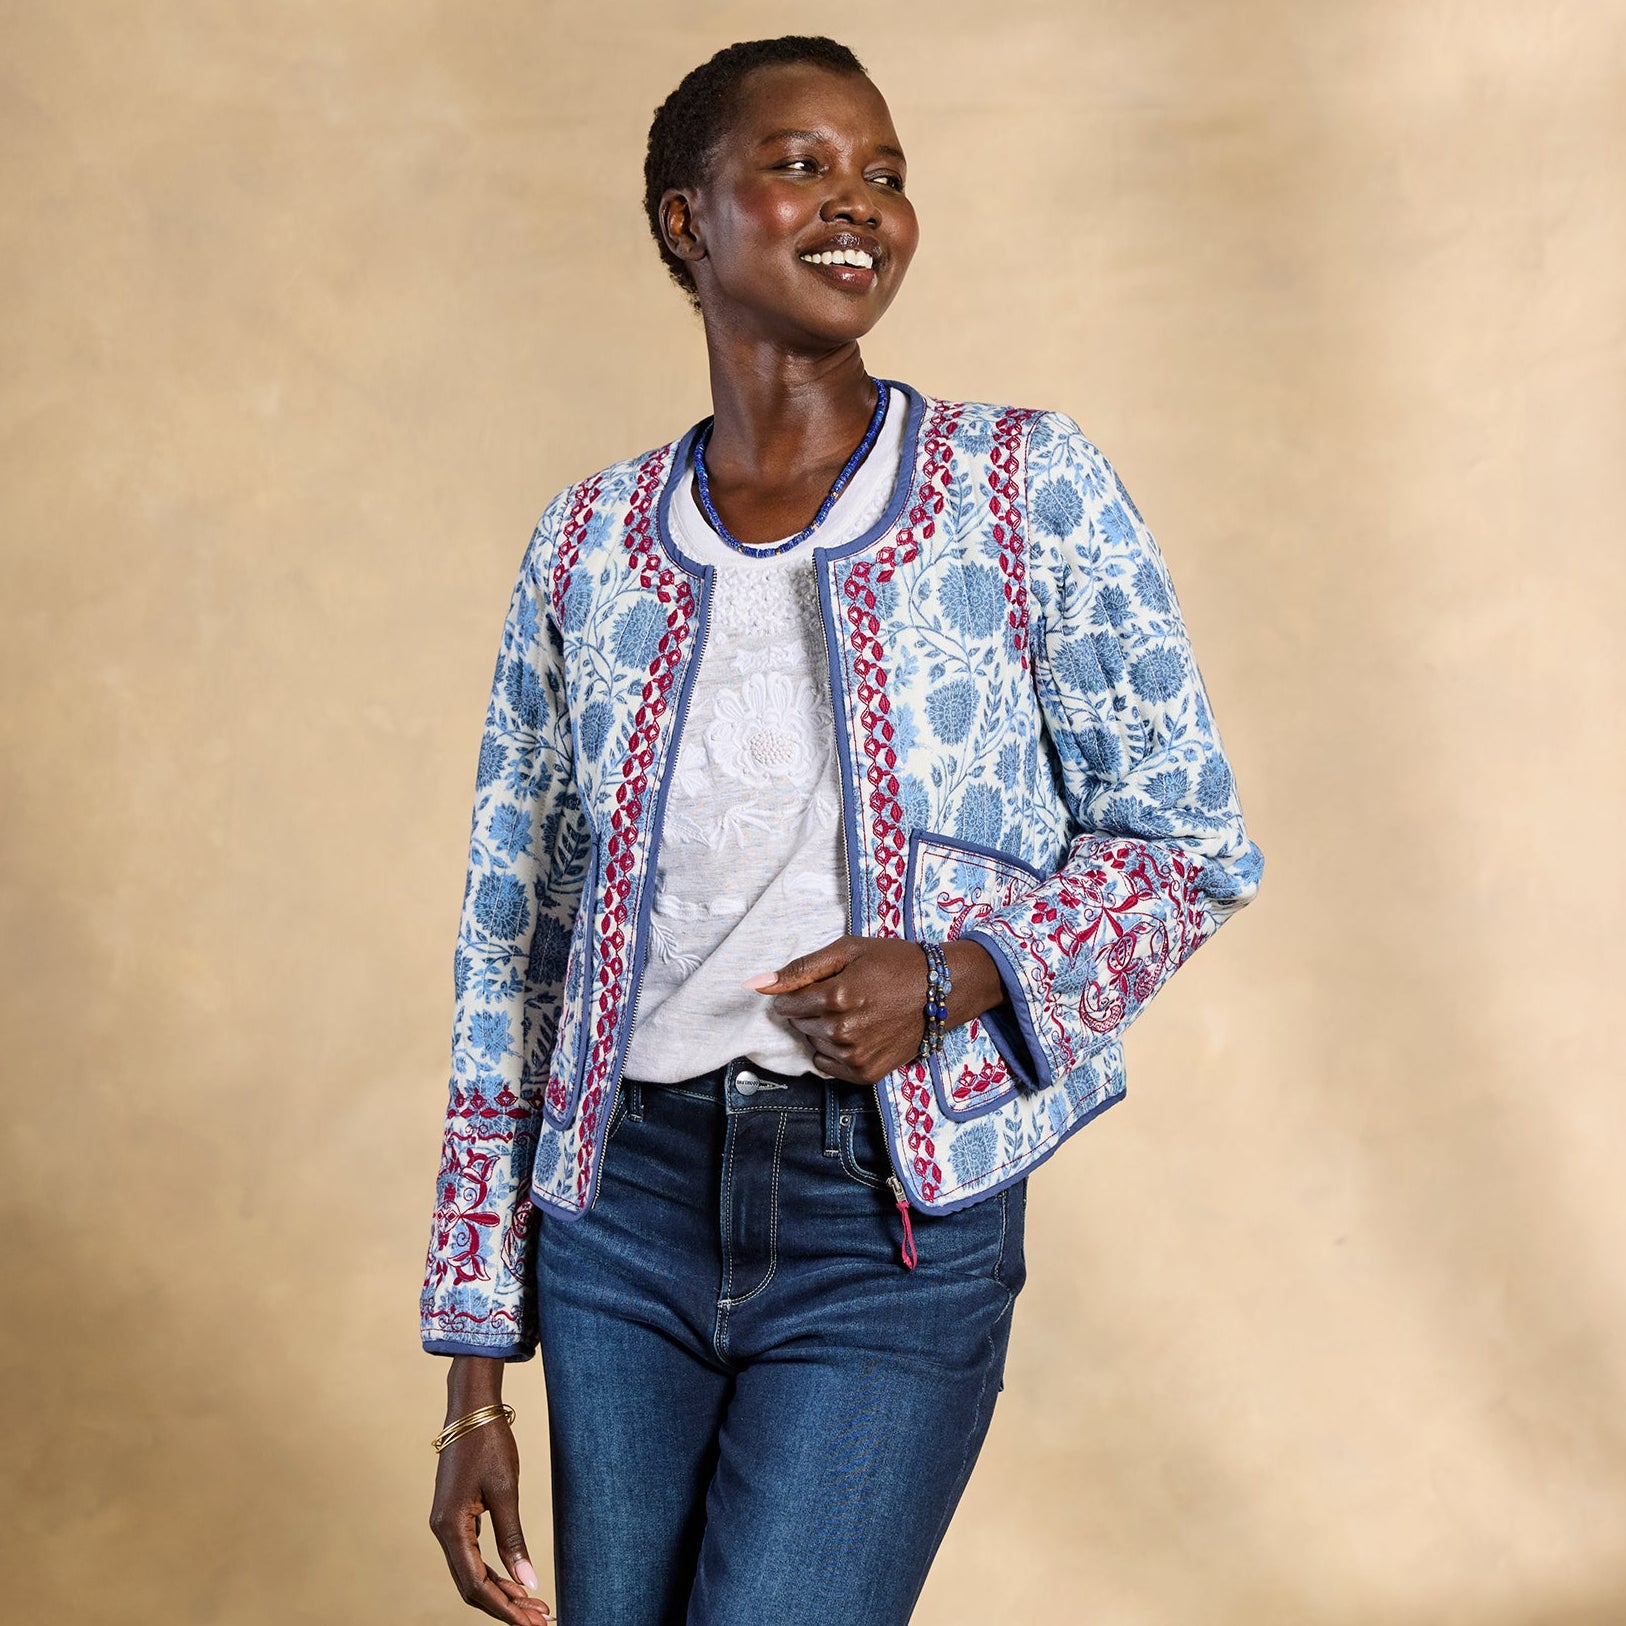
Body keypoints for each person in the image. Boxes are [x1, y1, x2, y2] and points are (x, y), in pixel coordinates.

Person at [421, 33, 1263, 1626]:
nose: (857, 203)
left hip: (882, 1220)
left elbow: (1184, 839)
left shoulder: (1022, 486)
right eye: (800, 165)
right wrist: (472, 1373)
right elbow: (512, 945)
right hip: (619, 1216)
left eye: (883, 173)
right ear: (688, 219)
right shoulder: (586, 544)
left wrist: (955, 974)